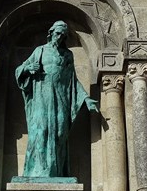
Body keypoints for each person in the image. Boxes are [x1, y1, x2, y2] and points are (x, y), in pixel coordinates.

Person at [15, 20, 99, 178]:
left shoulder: (67, 55)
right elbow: (19, 70)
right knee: (40, 132)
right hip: (41, 97)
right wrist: (27, 68)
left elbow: (73, 81)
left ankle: (56, 172)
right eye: (58, 33)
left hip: (61, 98)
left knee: (60, 133)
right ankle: (38, 173)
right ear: (51, 33)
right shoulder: (39, 51)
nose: (59, 37)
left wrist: (86, 99)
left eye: (63, 35)